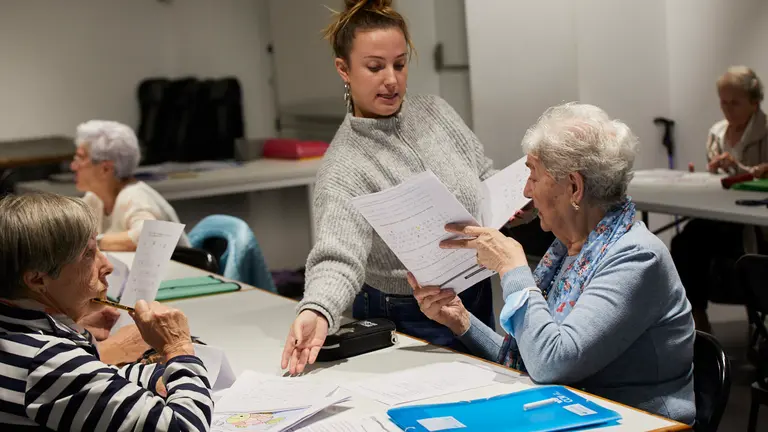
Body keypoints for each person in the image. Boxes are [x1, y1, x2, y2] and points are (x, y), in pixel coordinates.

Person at [281, 0, 528, 374]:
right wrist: (318, 308)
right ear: (343, 69)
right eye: (375, 67)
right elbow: (337, 256)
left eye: (399, 64)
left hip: (475, 291)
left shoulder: (436, 112)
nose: (392, 79)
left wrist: (512, 204)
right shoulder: (345, 165)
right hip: (408, 310)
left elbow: (481, 175)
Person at [409, 103, 696, 424]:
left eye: (533, 175)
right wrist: (461, 320)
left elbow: (551, 364)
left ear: (574, 187)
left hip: (639, 422)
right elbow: (534, 356)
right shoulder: (570, 251)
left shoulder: (637, 257)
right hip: (577, 410)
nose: (526, 191)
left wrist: (512, 269)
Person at [0, 193, 212, 431]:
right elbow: (185, 427)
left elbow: (99, 377)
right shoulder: (47, 363)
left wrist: (161, 375)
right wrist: (178, 349)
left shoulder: (18, 331)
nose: (107, 266)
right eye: (88, 254)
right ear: (38, 279)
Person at [673, 66, 768, 332]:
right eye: (723, 103)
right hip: (722, 215)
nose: (727, 109)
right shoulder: (717, 132)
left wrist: (742, 170)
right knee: (684, 242)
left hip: (755, 222)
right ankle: (697, 317)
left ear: (754, 101)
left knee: (698, 242)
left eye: (734, 103)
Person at [71, 120, 190, 251]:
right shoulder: (94, 199)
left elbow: (150, 237)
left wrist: (92, 243)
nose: (73, 166)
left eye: (80, 158)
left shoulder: (135, 197)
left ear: (106, 169)